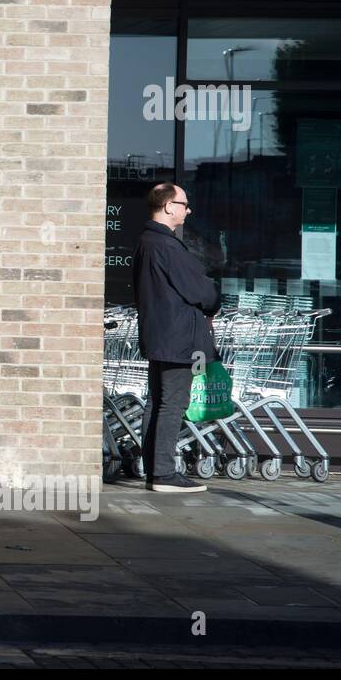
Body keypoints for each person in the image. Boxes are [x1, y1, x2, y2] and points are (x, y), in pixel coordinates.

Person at [131, 182, 219, 493]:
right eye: (184, 204)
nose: (188, 209)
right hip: (178, 338)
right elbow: (201, 290)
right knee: (173, 403)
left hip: (161, 335)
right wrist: (213, 302)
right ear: (169, 206)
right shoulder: (165, 245)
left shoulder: (147, 242)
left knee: (158, 403)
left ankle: (156, 470)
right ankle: (164, 474)